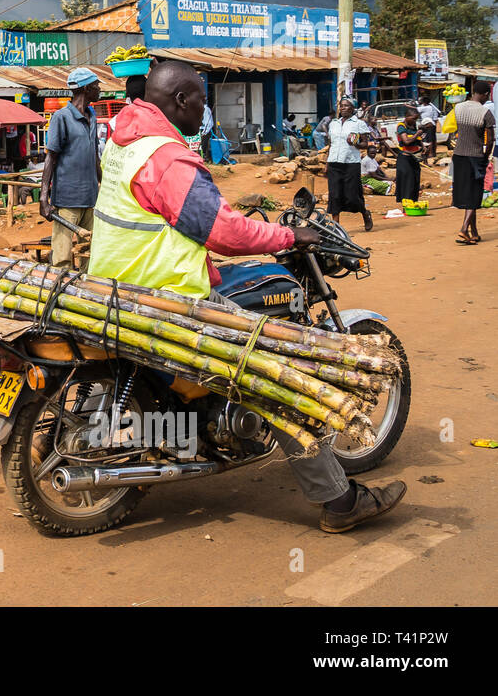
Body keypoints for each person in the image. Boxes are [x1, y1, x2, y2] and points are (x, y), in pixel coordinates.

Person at [88, 60, 406, 533]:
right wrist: (286, 237)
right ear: (179, 101)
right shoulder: (167, 156)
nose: (206, 108)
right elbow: (221, 231)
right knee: (278, 381)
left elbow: (171, 216)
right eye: (201, 99)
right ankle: (339, 501)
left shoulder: (124, 136)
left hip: (117, 282)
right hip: (168, 295)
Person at [39, 67, 102, 270]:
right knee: (62, 259)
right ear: (85, 89)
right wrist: (43, 198)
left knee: (89, 258)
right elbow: (51, 158)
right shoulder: (62, 117)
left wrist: (105, 185)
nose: (99, 89)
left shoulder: (92, 115)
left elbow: (94, 156)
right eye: (96, 86)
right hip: (67, 201)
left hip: (91, 199)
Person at [451, 82, 496, 245]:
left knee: (467, 192)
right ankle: (464, 230)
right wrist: (485, 157)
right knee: (475, 194)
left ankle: (474, 232)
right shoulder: (486, 112)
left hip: (458, 155)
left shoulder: (458, 108)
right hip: (475, 156)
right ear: (485, 94)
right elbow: (491, 139)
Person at [325, 97, 375, 232]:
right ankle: (336, 227)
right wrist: (326, 162)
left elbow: (365, 144)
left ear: (352, 109)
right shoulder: (333, 123)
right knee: (334, 194)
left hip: (351, 163)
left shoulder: (359, 123)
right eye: (341, 106)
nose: (342, 108)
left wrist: (355, 143)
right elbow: (331, 144)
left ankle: (364, 213)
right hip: (334, 162)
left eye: (346, 106)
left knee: (352, 195)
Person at [394, 107, 424, 204]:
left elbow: (417, 140)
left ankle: (413, 203)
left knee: (415, 181)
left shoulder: (413, 125)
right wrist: (417, 134)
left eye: (416, 119)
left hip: (414, 158)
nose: (415, 121)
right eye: (413, 118)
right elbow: (406, 141)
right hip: (405, 159)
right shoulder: (401, 126)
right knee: (407, 182)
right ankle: (406, 205)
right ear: (407, 117)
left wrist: (423, 147)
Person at [415, 96, 440, 163]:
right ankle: (432, 153)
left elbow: (416, 109)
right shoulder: (431, 107)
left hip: (428, 125)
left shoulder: (426, 107)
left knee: (428, 140)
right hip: (431, 125)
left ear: (424, 101)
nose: (418, 101)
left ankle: (430, 153)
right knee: (432, 139)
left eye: (420, 100)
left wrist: (407, 105)